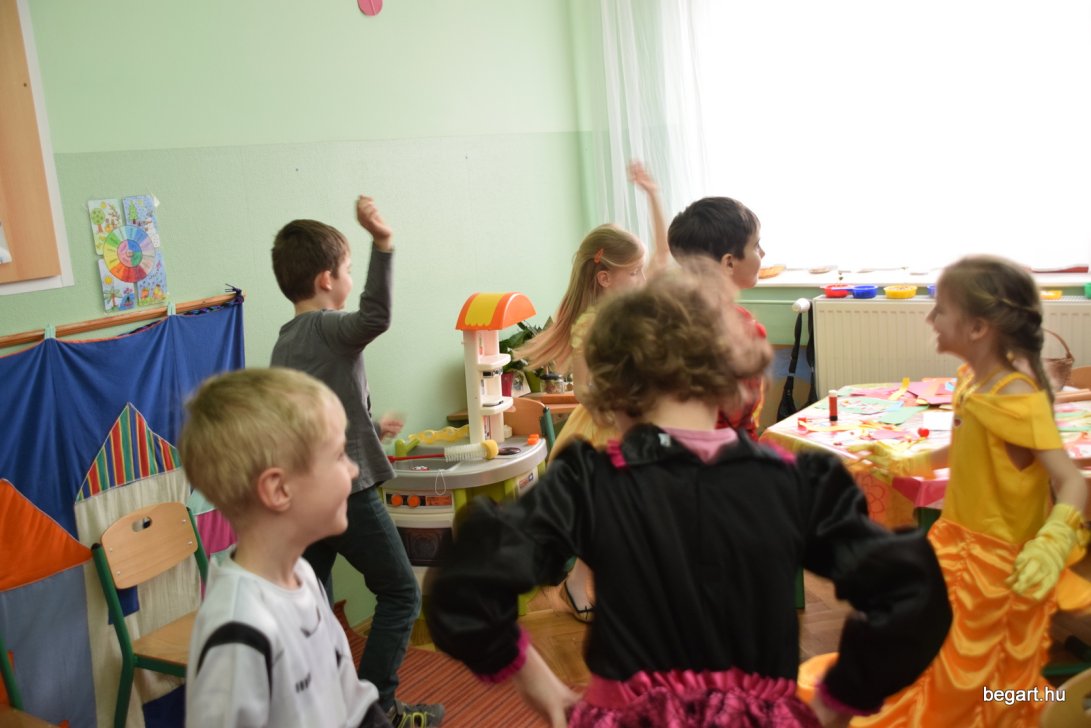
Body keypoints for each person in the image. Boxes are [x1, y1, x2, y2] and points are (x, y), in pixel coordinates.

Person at [425, 264, 952, 728]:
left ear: (611, 390)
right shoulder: (797, 482)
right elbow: (912, 591)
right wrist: (841, 698)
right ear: (733, 380)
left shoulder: (588, 482)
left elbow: (465, 585)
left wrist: (541, 686)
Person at [844, 255, 1088, 726]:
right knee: (947, 664)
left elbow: (1071, 479)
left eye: (941, 309)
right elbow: (962, 451)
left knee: (993, 678)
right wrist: (905, 461)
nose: (929, 319)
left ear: (977, 328)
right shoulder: (973, 383)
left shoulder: (1016, 397)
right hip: (957, 546)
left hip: (999, 569)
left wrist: (1053, 540)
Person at [269, 197, 443, 727]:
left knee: (315, 607)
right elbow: (376, 316)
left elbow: (318, 419)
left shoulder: (285, 343)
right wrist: (382, 243)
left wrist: (370, 429)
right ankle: (376, 708)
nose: (349, 277)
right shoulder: (327, 328)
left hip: (306, 498)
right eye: (346, 269)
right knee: (401, 593)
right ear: (327, 280)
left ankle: (330, 709)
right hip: (348, 492)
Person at [181, 368, 391, 727]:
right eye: (339, 455)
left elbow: (354, 705)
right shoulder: (238, 630)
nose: (354, 470)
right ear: (278, 490)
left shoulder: (303, 577)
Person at [514, 162, 669, 622]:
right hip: (604, 425)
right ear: (605, 278)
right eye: (633, 272)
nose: (642, 278)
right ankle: (579, 581)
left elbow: (662, 257)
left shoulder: (635, 307)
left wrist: (653, 195)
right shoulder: (590, 323)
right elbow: (583, 386)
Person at [667, 195, 768, 437]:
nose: (763, 253)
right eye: (756, 245)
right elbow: (740, 414)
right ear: (729, 263)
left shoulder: (664, 318)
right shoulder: (742, 329)